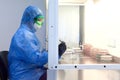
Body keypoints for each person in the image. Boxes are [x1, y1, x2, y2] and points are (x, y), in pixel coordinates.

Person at [8, 5, 66, 80]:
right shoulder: (23, 35)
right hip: (23, 75)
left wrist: (53, 53)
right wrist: (56, 53)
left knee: (54, 73)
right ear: (30, 19)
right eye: (39, 20)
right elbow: (37, 58)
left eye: (42, 21)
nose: (40, 23)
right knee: (55, 75)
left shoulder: (28, 33)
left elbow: (36, 54)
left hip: (30, 70)